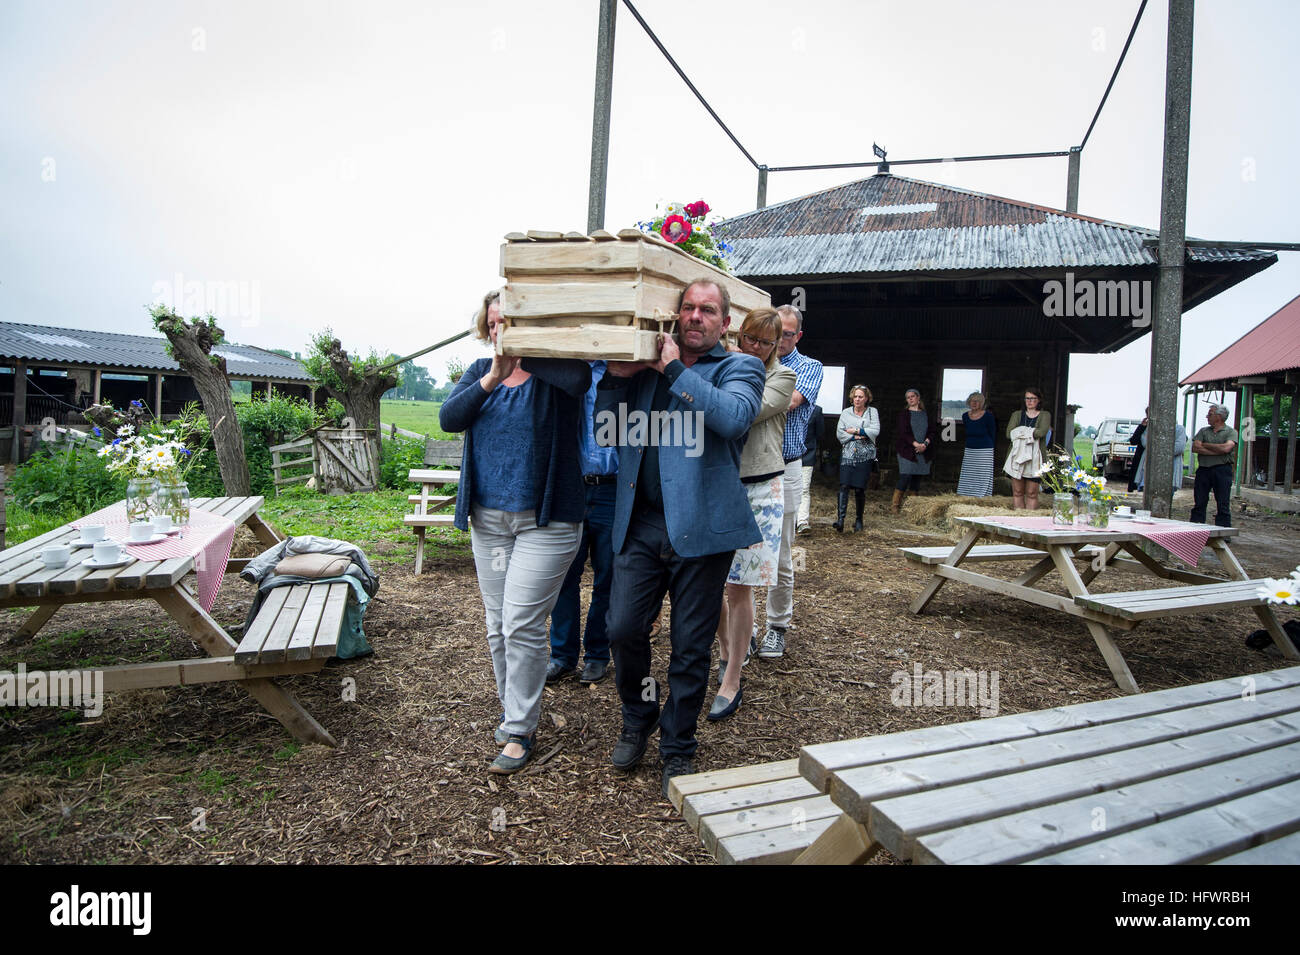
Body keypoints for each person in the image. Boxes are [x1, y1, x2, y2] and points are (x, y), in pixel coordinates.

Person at [597, 279, 765, 797]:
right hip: (642, 522)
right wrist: (618, 373)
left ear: (725, 321)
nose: (695, 316)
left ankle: (678, 747)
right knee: (622, 629)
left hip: (702, 529)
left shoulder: (740, 367)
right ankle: (637, 716)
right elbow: (609, 428)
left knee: (691, 647)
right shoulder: (648, 363)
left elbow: (732, 419)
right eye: (687, 308)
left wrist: (671, 369)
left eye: (707, 310)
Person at [439, 290, 590, 775]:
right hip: (490, 521)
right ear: (487, 326)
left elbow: (580, 379)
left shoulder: (557, 370)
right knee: (497, 623)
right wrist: (493, 376)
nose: (503, 330)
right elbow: (449, 418)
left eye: (512, 321)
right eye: (497, 322)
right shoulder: (480, 372)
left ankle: (520, 729)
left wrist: (529, 352)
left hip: (547, 521)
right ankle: (515, 712)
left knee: (521, 624)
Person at [710, 307, 794, 720]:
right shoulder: (725, 363)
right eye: (749, 339)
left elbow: (740, 412)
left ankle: (732, 681)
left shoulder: (782, 378)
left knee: (740, 584)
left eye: (764, 342)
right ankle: (728, 652)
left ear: (777, 345)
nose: (755, 348)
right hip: (719, 480)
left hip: (760, 484)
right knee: (712, 582)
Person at [545, 361, 618, 685]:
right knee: (564, 576)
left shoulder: (624, 367)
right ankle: (562, 655)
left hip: (612, 488)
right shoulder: (568, 369)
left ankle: (598, 654)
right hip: (572, 485)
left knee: (607, 577)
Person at [762, 304, 823, 660]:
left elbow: (787, 401)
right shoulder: (756, 358)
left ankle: (777, 626)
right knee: (743, 551)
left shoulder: (809, 367)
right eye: (776, 331)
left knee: (782, 553)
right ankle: (744, 629)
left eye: (787, 333)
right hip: (749, 467)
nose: (780, 339)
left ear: (798, 335)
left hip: (786, 466)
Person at [834, 384, 879, 532]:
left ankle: (859, 520)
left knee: (859, 488)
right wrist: (856, 435)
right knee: (844, 485)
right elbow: (840, 433)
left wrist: (857, 429)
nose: (857, 399)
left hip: (865, 455)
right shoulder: (845, 413)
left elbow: (875, 430)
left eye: (860, 397)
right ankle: (840, 520)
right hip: (848, 454)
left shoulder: (872, 412)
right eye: (855, 396)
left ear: (866, 398)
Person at [1190, 403, 1238, 527]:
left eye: (1210, 414)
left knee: (1223, 502)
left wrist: (1205, 445)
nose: (1207, 416)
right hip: (1204, 469)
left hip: (1222, 470)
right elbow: (1195, 447)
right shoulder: (1203, 431)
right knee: (1199, 501)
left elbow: (1227, 448)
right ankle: (1196, 529)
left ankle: (1223, 530)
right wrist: (1217, 451)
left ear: (1219, 416)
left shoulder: (1231, 432)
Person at [1005, 387, 1051, 510]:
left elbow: (1041, 432)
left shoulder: (1045, 415)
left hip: (1035, 457)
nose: (1030, 401)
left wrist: (1020, 431)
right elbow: (1009, 433)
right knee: (1018, 492)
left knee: (1031, 493)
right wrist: (1030, 432)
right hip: (1017, 456)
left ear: (1039, 400)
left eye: (1033, 398)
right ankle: (1018, 518)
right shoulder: (1016, 415)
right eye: (1027, 398)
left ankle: (1030, 518)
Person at [893, 388, 938, 512]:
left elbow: (932, 431)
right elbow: (903, 432)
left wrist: (925, 444)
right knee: (905, 475)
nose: (910, 399)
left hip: (923, 450)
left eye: (912, 396)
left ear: (918, 398)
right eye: (908, 397)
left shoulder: (926, 414)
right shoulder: (904, 414)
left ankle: (912, 507)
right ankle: (895, 506)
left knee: (917, 477)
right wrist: (916, 444)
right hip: (907, 450)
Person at [1132, 406, 1188, 492]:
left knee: (1167, 492)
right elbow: (1146, 443)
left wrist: (1158, 451)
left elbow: (1179, 447)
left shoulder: (1179, 429)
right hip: (1151, 467)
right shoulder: (1148, 429)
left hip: (1171, 466)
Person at [956, 392, 996, 498]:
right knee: (969, 473)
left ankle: (981, 495)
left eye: (977, 401)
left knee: (983, 473)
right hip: (970, 449)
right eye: (972, 400)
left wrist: (991, 448)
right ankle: (967, 494)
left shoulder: (988, 416)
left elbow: (992, 433)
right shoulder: (965, 416)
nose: (974, 403)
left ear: (981, 403)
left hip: (985, 449)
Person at [796, 405, 823, 534]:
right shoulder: (788, 406)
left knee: (804, 489)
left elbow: (820, 433)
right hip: (787, 455)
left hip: (807, 455)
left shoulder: (817, 410)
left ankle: (802, 521)